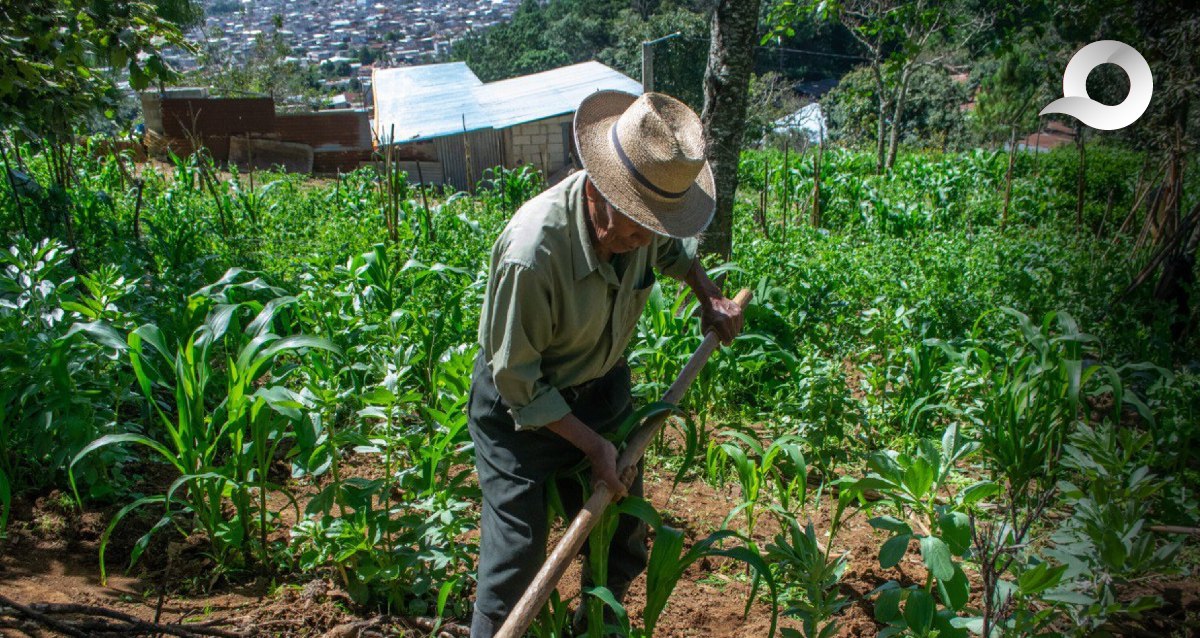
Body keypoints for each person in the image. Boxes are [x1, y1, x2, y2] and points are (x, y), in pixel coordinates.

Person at [468, 90, 744, 637]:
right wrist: (596, 448)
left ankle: (594, 627)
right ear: (599, 190)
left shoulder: (644, 229)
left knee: (621, 541)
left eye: (655, 227)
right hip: (520, 411)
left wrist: (707, 292)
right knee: (516, 563)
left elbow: (673, 253)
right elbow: (517, 381)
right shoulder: (534, 253)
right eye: (636, 227)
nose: (644, 240)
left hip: (601, 391)